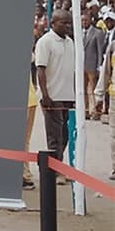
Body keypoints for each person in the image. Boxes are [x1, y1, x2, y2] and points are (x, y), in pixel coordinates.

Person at [35, 10, 75, 185]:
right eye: (63, 23)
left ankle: (57, 165)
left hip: (67, 96)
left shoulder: (71, 42)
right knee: (55, 136)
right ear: (53, 23)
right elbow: (40, 70)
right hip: (52, 96)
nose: (67, 26)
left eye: (69, 23)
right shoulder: (45, 42)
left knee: (65, 135)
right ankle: (55, 170)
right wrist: (45, 95)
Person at [94, 39, 115, 180]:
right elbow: (106, 71)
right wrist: (99, 96)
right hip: (114, 96)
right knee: (114, 135)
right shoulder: (113, 46)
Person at [82, 14, 105, 119]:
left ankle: (96, 111)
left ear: (90, 20)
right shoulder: (80, 33)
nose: (84, 22)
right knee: (83, 90)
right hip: (82, 66)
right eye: (82, 20)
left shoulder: (97, 33)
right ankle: (86, 110)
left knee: (93, 90)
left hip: (92, 66)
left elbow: (100, 51)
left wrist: (99, 66)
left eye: (86, 20)